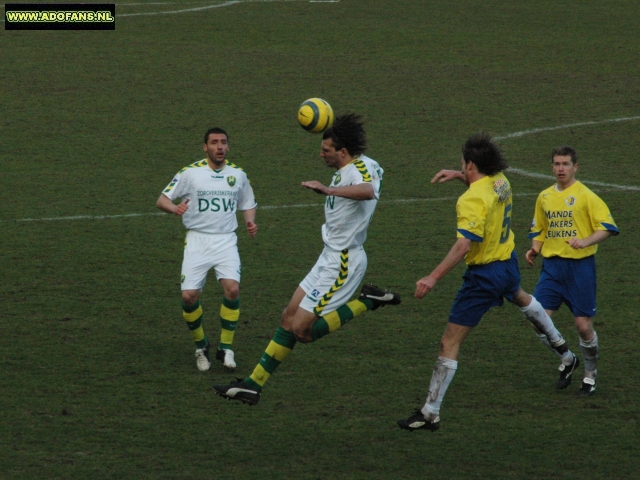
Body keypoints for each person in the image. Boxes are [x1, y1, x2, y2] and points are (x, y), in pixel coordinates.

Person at [213, 113, 400, 406]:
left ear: (342, 151)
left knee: (303, 331)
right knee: (288, 318)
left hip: (343, 263)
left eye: (326, 150)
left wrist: (327, 189)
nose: (321, 154)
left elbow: (369, 190)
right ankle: (253, 385)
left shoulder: (361, 168)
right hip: (327, 257)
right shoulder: (352, 166)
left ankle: (369, 300)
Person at [397, 132, 576, 432]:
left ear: (470, 165)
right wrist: (459, 175)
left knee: (449, 342)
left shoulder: (470, 199)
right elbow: (484, 187)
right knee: (521, 297)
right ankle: (565, 353)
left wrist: (432, 277)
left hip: (484, 275)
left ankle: (430, 412)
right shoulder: (501, 180)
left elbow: (463, 246)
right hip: (508, 262)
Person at [156, 127, 258, 372]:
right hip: (197, 241)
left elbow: (248, 203)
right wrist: (174, 209)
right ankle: (201, 346)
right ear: (205, 147)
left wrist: (249, 221)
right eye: (214, 142)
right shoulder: (190, 173)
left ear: (228, 147)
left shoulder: (238, 174)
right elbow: (162, 200)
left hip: (225, 240)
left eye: (223, 142)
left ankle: (226, 348)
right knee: (189, 297)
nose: (220, 146)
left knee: (232, 289)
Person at [525, 146, 618, 397]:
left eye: (565, 164)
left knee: (583, 326)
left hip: (580, 268)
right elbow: (540, 229)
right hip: (552, 269)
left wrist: (585, 242)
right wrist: (535, 249)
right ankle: (567, 358)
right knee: (537, 320)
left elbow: (608, 227)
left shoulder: (586, 195)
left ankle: (590, 375)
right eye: (556, 164)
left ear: (575, 167)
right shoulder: (544, 196)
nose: (560, 169)